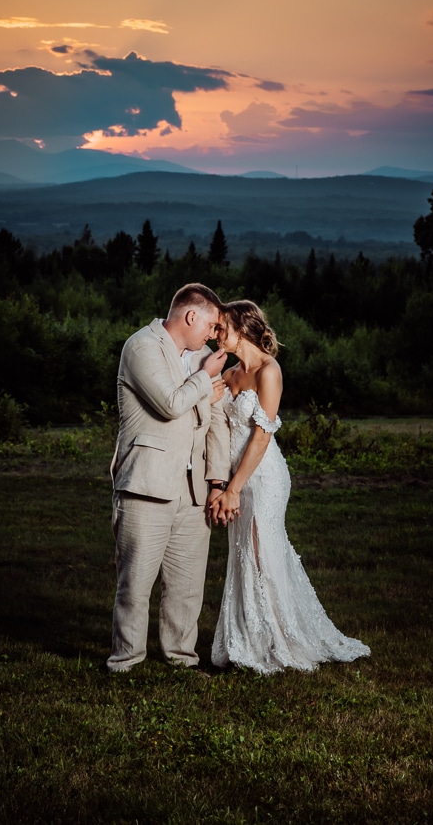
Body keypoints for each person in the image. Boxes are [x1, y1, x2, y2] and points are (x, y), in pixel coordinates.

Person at [209, 300, 371, 675]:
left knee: (262, 551)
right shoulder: (229, 375)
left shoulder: (270, 370)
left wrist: (234, 488)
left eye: (222, 327)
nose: (217, 334)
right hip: (235, 478)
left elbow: (263, 437)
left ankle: (279, 639)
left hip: (263, 478)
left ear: (243, 328)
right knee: (242, 553)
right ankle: (245, 638)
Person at [107, 283, 231, 673]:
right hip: (146, 483)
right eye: (211, 325)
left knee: (187, 587)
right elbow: (169, 404)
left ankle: (181, 658)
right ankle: (125, 661)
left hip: (194, 491)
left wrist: (217, 482)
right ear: (190, 316)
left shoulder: (204, 357)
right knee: (136, 584)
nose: (213, 335)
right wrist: (206, 377)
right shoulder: (141, 347)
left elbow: (219, 425)